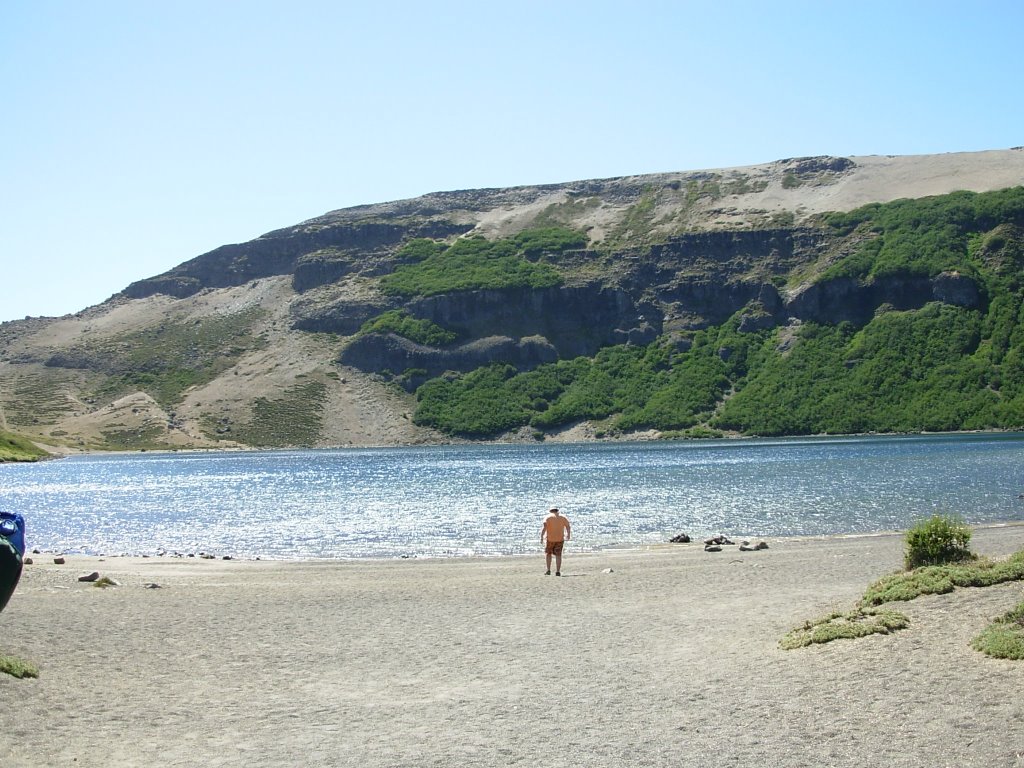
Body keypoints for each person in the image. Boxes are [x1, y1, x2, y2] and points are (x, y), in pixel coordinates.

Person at [540, 507, 571, 576]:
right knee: (558, 555)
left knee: (548, 554)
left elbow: (544, 527)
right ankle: (558, 571)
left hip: (550, 539)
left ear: (550, 511)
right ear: (557, 511)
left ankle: (548, 570)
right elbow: (568, 526)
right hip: (560, 539)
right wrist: (568, 535)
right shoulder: (563, 517)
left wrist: (541, 537)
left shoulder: (548, 517)